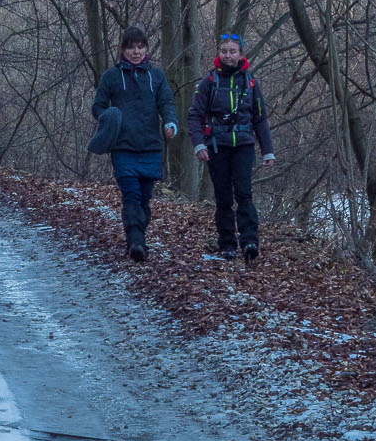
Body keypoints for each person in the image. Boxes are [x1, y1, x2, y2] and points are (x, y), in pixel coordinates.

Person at [90, 25, 178, 263]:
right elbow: (97, 106)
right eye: (131, 48)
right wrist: (110, 118)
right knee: (131, 196)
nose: (136, 52)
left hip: (151, 146)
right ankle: (136, 243)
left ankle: (138, 238)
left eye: (140, 47)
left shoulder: (156, 76)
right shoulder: (111, 76)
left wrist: (171, 123)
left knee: (144, 199)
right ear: (123, 50)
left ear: (146, 48)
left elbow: (167, 102)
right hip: (123, 147)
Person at [187, 31, 274, 264]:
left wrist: (268, 150)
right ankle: (226, 243)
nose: (228, 56)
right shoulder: (209, 82)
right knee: (223, 197)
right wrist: (198, 144)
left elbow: (260, 118)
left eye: (232, 51)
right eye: (224, 51)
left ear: (240, 54)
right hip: (217, 146)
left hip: (244, 145)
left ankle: (250, 241)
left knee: (244, 193)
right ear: (219, 53)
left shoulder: (251, 81)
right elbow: (194, 115)